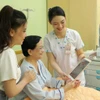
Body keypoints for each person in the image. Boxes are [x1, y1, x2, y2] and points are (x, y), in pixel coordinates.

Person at [14, 35, 80, 100]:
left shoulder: (39, 62)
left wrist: (65, 82)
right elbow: (40, 96)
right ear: (30, 51)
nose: (43, 50)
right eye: (40, 48)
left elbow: (48, 80)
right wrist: (65, 89)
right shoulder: (27, 71)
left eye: (43, 47)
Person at [0, 5, 36, 100]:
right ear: (11, 32)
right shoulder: (8, 53)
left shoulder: (3, 50)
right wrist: (26, 79)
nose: (25, 35)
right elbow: (11, 92)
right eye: (24, 31)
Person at [44, 6, 86, 86]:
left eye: (62, 22)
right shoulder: (48, 38)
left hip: (77, 76)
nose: (60, 26)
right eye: (55, 24)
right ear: (50, 23)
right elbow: (52, 60)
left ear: (65, 19)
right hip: (60, 77)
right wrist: (61, 73)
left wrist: (83, 58)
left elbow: (80, 53)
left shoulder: (74, 34)